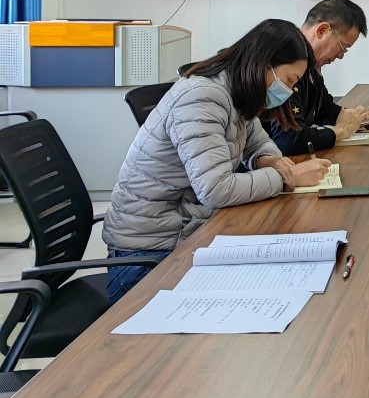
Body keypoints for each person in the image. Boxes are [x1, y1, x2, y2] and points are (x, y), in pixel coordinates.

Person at [102, 19, 333, 301]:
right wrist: (287, 177)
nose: (287, 92)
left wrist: (269, 161)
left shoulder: (238, 92)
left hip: (186, 232)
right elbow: (215, 189)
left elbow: (259, 142)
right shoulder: (203, 97)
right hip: (147, 257)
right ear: (264, 64)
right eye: (289, 80)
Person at [266, 0, 369, 156]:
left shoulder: (312, 66)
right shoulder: (286, 60)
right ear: (322, 30)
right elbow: (290, 140)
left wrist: (361, 119)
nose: (341, 56)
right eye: (342, 47)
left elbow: (323, 109)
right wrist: (342, 131)